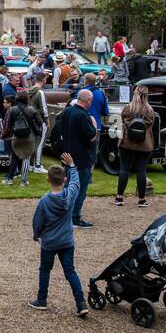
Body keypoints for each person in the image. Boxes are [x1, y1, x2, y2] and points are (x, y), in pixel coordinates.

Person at [29, 153, 88, 317]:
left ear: (48, 180)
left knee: (45, 269)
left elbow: (37, 222)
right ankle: (81, 303)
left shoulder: (44, 201)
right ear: (65, 180)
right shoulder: (70, 194)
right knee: (70, 272)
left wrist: (36, 235)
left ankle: (42, 300)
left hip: (49, 242)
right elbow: (76, 182)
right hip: (67, 241)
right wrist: (72, 165)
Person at [60, 89, 98, 228]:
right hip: (81, 158)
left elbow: (60, 131)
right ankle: (75, 217)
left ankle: (64, 214)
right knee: (80, 189)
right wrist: (94, 124)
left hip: (67, 155)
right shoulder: (83, 116)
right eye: (90, 100)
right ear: (87, 100)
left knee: (67, 186)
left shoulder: (67, 111)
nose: (91, 102)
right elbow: (92, 136)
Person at [115, 91, 157, 206]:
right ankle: (142, 199)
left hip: (127, 142)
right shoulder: (149, 111)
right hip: (144, 144)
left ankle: (119, 197)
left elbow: (123, 120)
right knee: (141, 170)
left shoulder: (128, 108)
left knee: (124, 169)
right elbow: (150, 125)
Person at [1, 91, 39, 187]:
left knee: (14, 156)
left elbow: (8, 125)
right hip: (29, 137)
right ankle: (23, 181)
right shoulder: (32, 109)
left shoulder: (12, 110)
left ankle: (9, 179)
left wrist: (4, 135)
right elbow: (39, 122)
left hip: (16, 136)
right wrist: (37, 131)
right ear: (27, 99)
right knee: (26, 157)